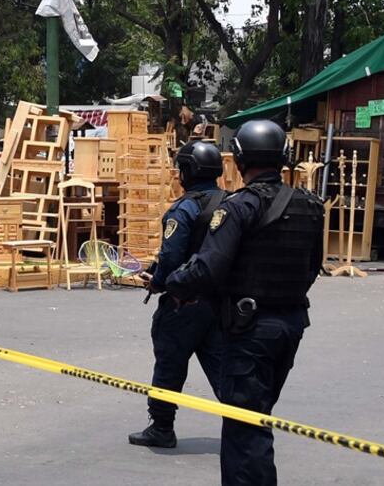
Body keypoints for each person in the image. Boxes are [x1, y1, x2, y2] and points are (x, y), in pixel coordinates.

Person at [166, 119, 324, 485]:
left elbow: (209, 267)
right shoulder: (310, 205)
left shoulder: (239, 207)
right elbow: (312, 267)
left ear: (238, 160)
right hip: (291, 325)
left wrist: (172, 284)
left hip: (249, 329)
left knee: (245, 430)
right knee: (257, 418)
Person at [129, 141, 226, 449]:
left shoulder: (184, 208)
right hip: (221, 303)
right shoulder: (232, 204)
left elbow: (172, 257)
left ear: (187, 172)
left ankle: (161, 427)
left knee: (169, 364)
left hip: (183, 303)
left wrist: (157, 281)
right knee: (225, 370)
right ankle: (246, 426)